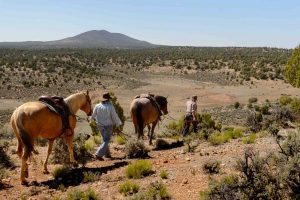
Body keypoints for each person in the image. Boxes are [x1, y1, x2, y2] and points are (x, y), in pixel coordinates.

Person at [91, 92, 122, 160]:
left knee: (104, 139)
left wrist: (91, 119)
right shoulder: (110, 107)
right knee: (107, 140)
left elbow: (93, 115)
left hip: (100, 125)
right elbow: (114, 116)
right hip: (108, 125)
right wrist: (118, 123)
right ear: (108, 99)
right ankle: (98, 154)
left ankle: (107, 154)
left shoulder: (97, 106)